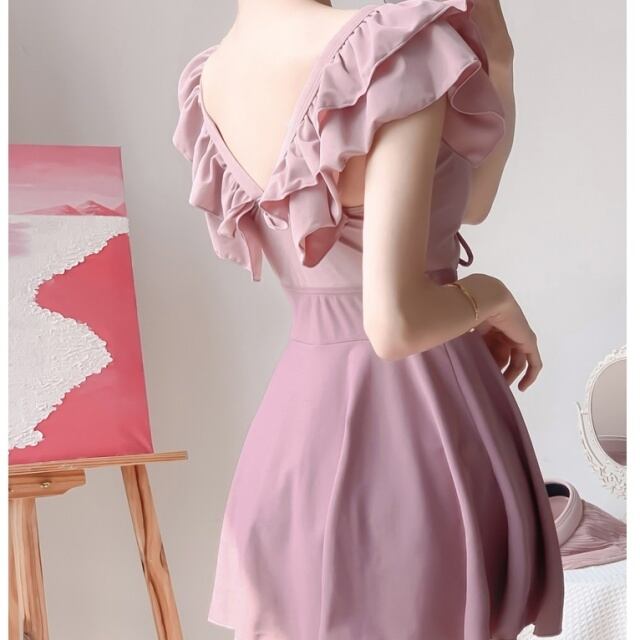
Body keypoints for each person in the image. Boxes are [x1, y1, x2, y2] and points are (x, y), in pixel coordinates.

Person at [172, 0, 565, 638]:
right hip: (418, 423)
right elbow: (395, 322)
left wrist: (499, 55)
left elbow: (471, 202)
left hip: (295, 439)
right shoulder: (390, 50)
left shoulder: (212, 77)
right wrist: (490, 295)